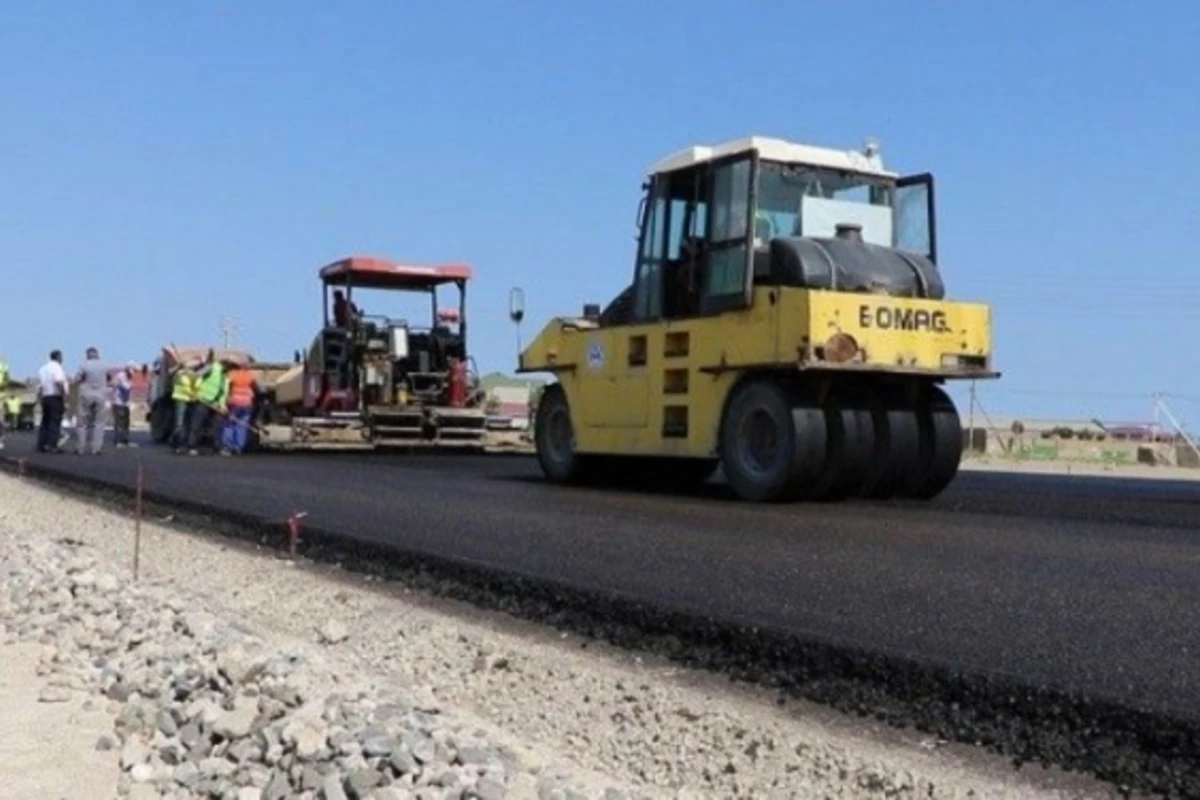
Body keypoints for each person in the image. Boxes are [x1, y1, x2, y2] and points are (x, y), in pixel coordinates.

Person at [188, 350, 227, 455]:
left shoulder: (225, 374)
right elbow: (196, 375)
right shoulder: (212, 367)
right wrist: (195, 392)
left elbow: (223, 391)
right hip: (203, 399)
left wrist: (222, 405)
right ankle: (192, 447)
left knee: (217, 425)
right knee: (197, 423)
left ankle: (217, 447)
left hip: (215, 402)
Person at [74, 346, 110, 455]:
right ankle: (96, 448)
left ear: (87, 355)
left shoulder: (83, 365)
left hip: (86, 394)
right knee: (99, 423)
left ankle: (80, 448)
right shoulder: (105, 365)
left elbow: (77, 379)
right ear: (97, 355)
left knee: (82, 423)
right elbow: (109, 377)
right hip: (101, 395)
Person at [220, 362, 258, 456]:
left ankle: (228, 447)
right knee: (242, 425)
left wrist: (224, 402)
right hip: (247, 403)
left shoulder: (233, 375)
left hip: (235, 402)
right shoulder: (251, 376)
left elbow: (226, 388)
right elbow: (256, 389)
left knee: (230, 424)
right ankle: (238, 447)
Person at [36, 350, 69, 453]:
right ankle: (52, 445)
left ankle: (42, 444)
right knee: (55, 422)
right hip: (55, 396)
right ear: (58, 357)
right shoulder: (57, 367)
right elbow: (59, 381)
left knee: (45, 421)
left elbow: (40, 386)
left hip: (45, 396)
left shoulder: (42, 369)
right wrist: (64, 397)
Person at [170, 358, 201, 453]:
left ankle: (187, 445)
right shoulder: (180, 374)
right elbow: (180, 384)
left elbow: (197, 387)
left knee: (188, 424)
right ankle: (177, 445)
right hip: (180, 399)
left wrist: (195, 394)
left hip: (191, 401)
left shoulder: (196, 375)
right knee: (179, 424)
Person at [110, 363, 136, 448]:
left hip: (125, 403)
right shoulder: (121, 376)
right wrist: (131, 384)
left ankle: (125, 441)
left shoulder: (128, 377)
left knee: (126, 423)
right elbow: (126, 387)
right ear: (128, 369)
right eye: (132, 371)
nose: (133, 373)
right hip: (118, 402)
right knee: (119, 423)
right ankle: (118, 441)